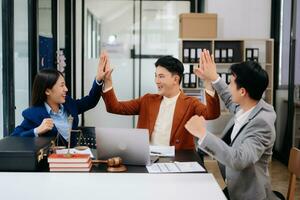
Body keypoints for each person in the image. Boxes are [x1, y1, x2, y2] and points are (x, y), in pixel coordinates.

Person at [185, 50, 278, 200]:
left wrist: (202, 133)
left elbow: (238, 159)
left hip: (248, 195)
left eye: (231, 83)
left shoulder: (262, 123)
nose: (228, 86)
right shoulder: (248, 106)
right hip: (234, 188)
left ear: (242, 91)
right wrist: (213, 77)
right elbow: (228, 97)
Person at [100, 53, 220, 150]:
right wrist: (108, 82)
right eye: (155, 76)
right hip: (148, 159)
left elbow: (211, 114)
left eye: (161, 76)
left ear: (175, 79)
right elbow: (114, 107)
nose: (156, 81)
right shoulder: (147, 100)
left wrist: (209, 83)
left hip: (178, 161)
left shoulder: (190, 103)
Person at [11, 53, 109, 145]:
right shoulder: (33, 114)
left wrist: (99, 79)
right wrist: (37, 131)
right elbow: (14, 139)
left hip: (73, 159)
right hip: (51, 162)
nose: (66, 89)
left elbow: (90, 101)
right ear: (47, 91)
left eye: (65, 85)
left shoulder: (69, 103)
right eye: (61, 86)